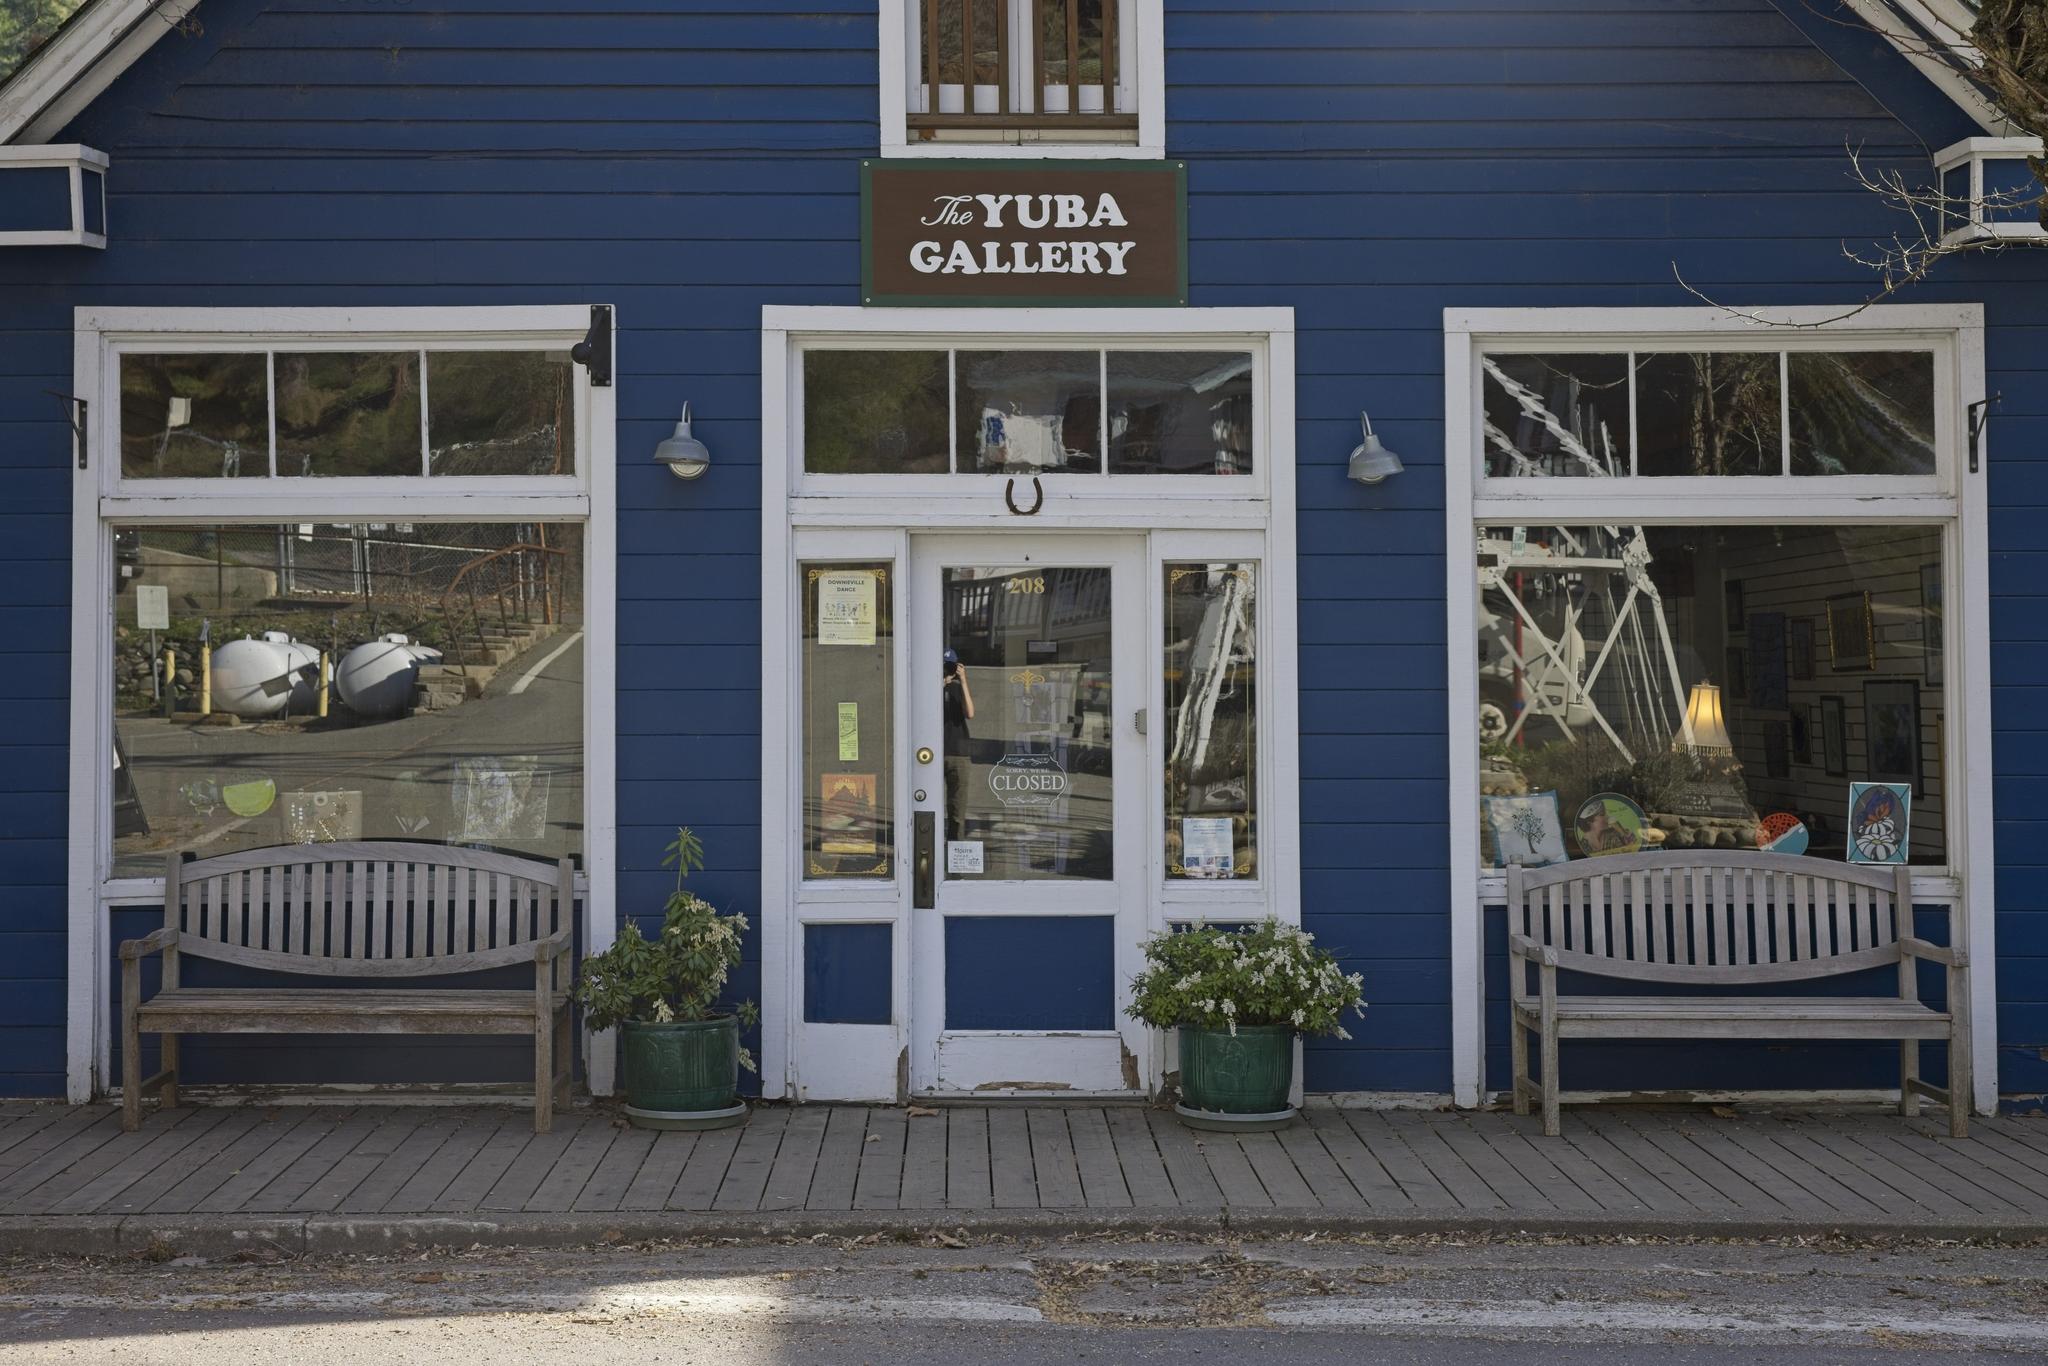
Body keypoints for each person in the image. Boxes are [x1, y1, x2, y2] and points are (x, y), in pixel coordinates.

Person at [942, 648, 974, 844]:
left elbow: (970, 713)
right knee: (930, 803)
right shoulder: (926, 688)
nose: (946, 670)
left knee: (957, 807)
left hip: (958, 754)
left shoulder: (957, 688)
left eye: (950, 666)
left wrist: (962, 681)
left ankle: (955, 849)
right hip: (934, 754)